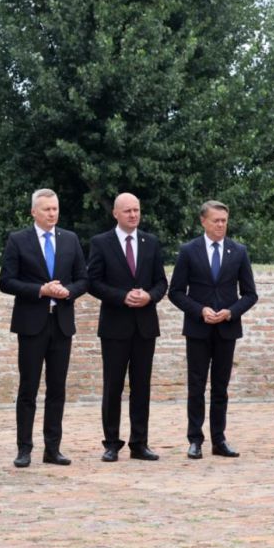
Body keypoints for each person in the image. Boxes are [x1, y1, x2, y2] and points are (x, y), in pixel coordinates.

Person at [0, 189, 87, 468]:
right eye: (46, 209)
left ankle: (53, 448)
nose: (52, 213)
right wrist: (40, 290)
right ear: (34, 212)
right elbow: (6, 282)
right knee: (28, 388)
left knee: (57, 389)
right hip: (31, 324)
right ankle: (24, 448)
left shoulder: (70, 239)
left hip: (61, 323)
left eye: (55, 208)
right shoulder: (18, 240)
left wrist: (68, 292)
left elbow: (83, 279)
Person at [169, 200, 258, 459]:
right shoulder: (189, 251)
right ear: (203, 221)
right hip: (198, 329)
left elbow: (250, 294)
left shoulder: (238, 251)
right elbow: (175, 292)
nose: (220, 225)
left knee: (221, 387)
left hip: (227, 329)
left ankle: (219, 440)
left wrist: (231, 312)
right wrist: (200, 310)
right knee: (196, 386)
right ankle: (195, 439)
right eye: (216, 220)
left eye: (224, 221)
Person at [87, 193, 166, 463]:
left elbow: (161, 282)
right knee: (113, 386)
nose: (133, 215)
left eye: (137, 210)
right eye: (128, 211)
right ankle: (111, 443)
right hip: (115, 326)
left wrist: (149, 296)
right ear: (116, 214)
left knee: (142, 387)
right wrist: (122, 296)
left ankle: (139, 443)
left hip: (145, 326)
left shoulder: (151, 242)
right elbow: (93, 282)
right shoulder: (101, 243)